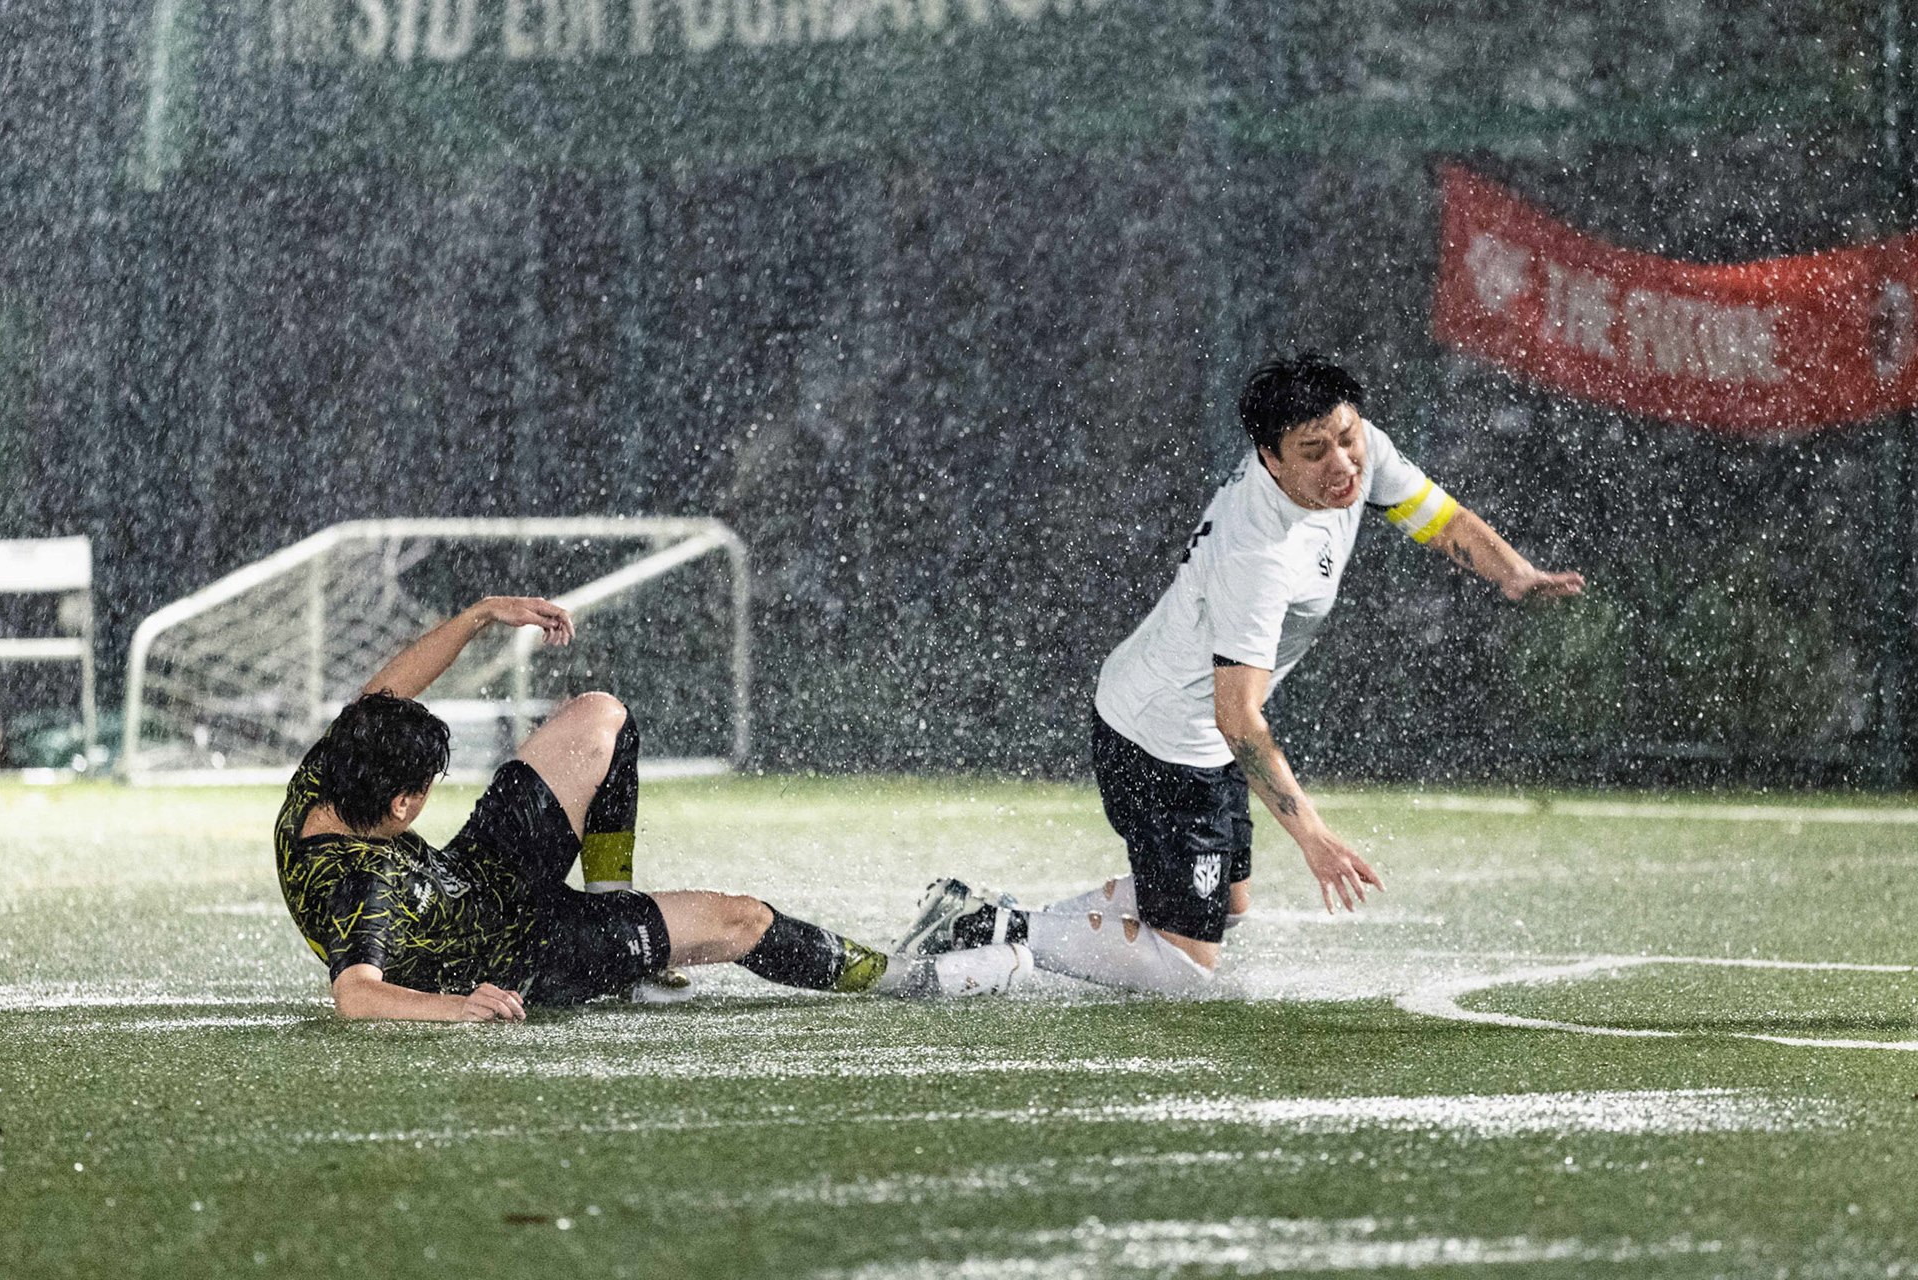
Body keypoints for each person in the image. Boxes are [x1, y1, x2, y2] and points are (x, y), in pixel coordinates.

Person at [898, 353, 1585, 994]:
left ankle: (998, 916)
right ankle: (988, 930)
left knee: (1227, 907)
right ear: (1270, 459)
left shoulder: (1357, 449)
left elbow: (1436, 517)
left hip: (1193, 730)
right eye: (1314, 454)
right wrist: (1315, 838)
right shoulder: (1258, 553)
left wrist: (1514, 573)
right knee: (1185, 969)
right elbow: (1239, 718)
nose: (1342, 463)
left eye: (1347, 437)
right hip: (1163, 740)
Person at [275, 593, 1029, 1021]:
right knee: (743, 920)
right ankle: (914, 978)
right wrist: (464, 1008)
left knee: (601, 715)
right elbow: (357, 996)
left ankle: (619, 917)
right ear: (404, 804)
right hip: (525, 950)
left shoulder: (333, 768)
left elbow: (383, 690)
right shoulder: (356, 884)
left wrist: (479, 616)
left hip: (477, 872)